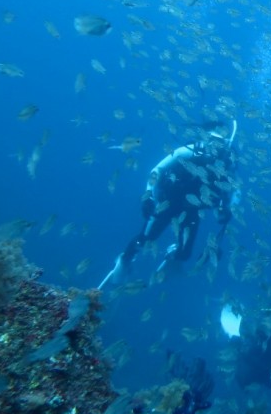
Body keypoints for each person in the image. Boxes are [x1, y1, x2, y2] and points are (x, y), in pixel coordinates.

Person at [99, 119, 240, 288]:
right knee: (145, 238)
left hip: (192, 211)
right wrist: (148, 196)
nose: (216, 148)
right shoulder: (188, 152)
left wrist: (228, 209)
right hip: (168, 203)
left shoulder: (227, 165)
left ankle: (173, 254)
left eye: (220, 143)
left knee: (185, 253)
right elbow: (157, 170)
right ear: (206, 138)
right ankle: (124, 260)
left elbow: (234, 191)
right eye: (213, 141)